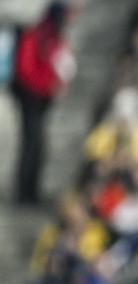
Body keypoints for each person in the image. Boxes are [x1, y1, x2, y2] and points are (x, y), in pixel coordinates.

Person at [11, 2, 75, 203]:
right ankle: (24, 191)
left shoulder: (54, 38)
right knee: (32, 143)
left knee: (37, 144)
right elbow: (25, 70)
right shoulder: (36, 37)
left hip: (42, 100)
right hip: (31, 98)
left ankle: (31, 190)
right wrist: (46, 87)